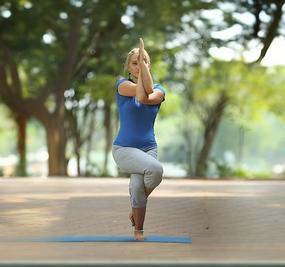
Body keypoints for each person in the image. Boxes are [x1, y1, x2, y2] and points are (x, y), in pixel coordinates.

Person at [112, 38, 166, 241]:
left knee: (136, 187)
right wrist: (143, 72)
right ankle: (137, 207)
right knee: (157, 170)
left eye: (144, 61)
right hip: (123, 149)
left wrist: (144, 69)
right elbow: (141, 95)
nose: (139, 66)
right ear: (128, 66)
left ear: (149, 66)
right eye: (135, 62)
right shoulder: (122, 86)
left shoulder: (160, 90)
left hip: (148, 149)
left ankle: (138, 229)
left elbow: (148, 95)